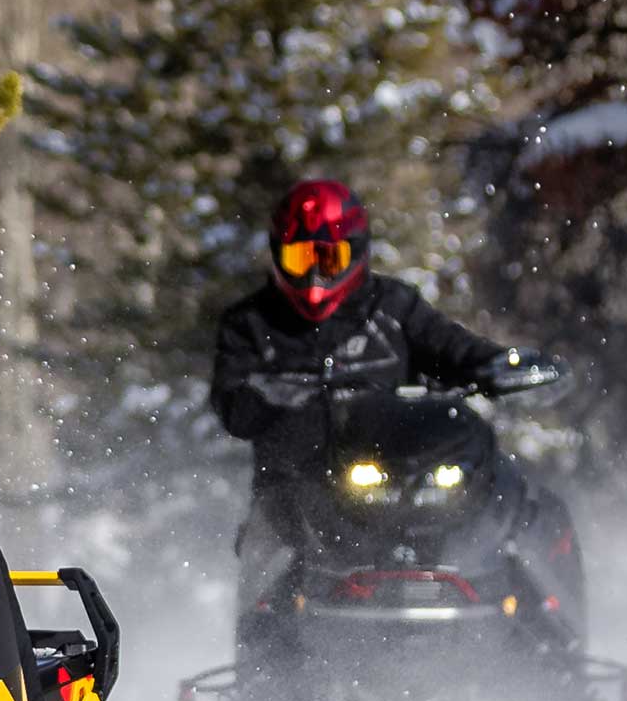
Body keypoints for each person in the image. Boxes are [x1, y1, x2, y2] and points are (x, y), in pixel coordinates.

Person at [208, 178, 561, 673]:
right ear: (277, 256)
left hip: (401, 484)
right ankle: (263, 679)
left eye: (327, 260)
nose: (313, 275)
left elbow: (451, 347)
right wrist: (268, 395)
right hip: (301, 492)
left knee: (515, 509)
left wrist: (498, 365)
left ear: (355, 254)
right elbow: (232, 406)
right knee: (269, 542)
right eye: (299, 259)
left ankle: (545, 650)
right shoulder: (250, 324)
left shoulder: (390, 309)